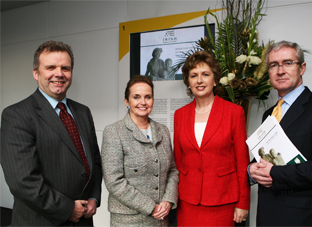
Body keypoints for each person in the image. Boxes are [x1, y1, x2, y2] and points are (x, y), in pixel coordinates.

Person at [0, 40, 102, 226]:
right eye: (50, 67)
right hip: (42, 221)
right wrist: (67, 209)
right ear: (36, 73)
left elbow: (94, 160)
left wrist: (94, 198)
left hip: (84, 220)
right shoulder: (16, 115)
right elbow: (22, 181)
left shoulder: (83, 112)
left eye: (65, 68)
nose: (59, 74)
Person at [248, 40, 312, 226]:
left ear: (302, 68)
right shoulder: (270, 114)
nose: (280, 70)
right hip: (267, 216)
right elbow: (266, 158)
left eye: (288, 63)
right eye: (273, 65)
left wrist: (276, 173)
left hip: (304, 218)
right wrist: (251, 170)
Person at [174, 51, 250, 226]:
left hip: (222, 202)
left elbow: (242, 162)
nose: (199, 80)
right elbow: (178, 161)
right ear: (188, 82)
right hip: (187, 203)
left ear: (215, 80)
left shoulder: (234, 112)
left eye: (205, 74)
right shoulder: (180, 115)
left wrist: (243, 203)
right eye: (194, 75)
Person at [101, 75, 179, 226]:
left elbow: (173, 171)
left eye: (148, 97)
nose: (143, 102)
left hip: (161, 219)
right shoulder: (113, 132)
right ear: (127, 101)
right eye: (136, 97)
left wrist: (168, 200)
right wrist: (150, 207)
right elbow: (114, 181)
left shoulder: (163, 131)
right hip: (128, 220)